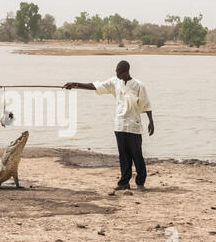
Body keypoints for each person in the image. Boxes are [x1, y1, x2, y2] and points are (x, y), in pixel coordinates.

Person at [63, 60, 154, 191]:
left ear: (126, 71)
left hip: (134, 125)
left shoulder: (138, 85)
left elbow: (146, 104)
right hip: (119, 125)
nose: (116, 74)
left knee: (137, 155)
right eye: (116, 72)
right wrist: (76, 84)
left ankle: (140, 183)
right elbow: (95, 86)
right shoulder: (114, 82)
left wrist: (151, 121)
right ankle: (124, 182)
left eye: (119, 72)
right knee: (124, 156)